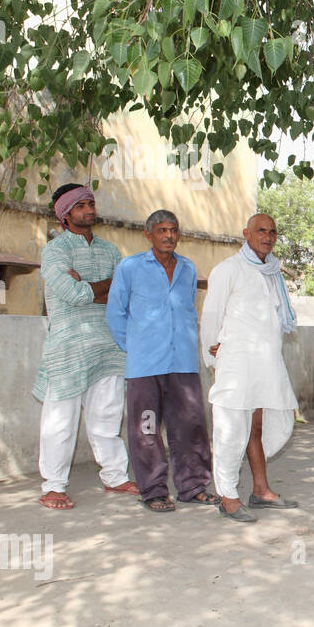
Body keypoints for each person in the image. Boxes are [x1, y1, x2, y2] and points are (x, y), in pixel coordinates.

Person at [33, 183, 138, 509]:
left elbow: (124, 295)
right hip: (68, 346)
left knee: (107, 417)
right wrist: (105, 288)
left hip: (108, 345)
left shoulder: (110, 250)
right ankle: (53, 485)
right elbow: (72, 294)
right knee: (60, 421)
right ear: (65, 213)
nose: (89, 209)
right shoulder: (55, 250)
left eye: (90, 203)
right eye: (80, 205)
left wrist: (91, 286)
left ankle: (115, 476)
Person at [106, 209, 215, 513]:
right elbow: (115, 313)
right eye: (163, 230)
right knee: (147, 429)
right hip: (145, 369)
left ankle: (192, 486)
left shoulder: (188, 269)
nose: (169, 236)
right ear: (149, 235)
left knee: (190, 426)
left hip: (182, 364)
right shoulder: (130, 268)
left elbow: (188, 310)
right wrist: (137, 347)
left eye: (174, 230)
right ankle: (153, 491)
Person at [200, 213, 300, 524]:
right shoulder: (228, 270)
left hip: (266, 364)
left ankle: (261, 491)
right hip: (237, 365)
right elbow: (211, 316)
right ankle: (228, 496)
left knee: (257, 428)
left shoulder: (273, 273)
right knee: (230, 431)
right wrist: (213, 355)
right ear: (246, 233)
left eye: (272, 232)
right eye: (261, 231)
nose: (267, 236)